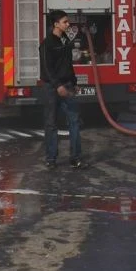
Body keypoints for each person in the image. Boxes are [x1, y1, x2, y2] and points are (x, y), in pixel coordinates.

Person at [37, 9, 82, 169]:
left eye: (67, 21)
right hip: (52, 88)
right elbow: (47, 68)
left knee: (74, 121)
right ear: (56, 24)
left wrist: (74, 82)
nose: (68, 24)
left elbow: (68, 65)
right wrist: (57, 86)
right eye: (65, 22)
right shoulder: (47, 44)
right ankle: (51, 159)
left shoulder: (65, 41)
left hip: (68, 85)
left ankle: (76, 158)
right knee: (51, 123)